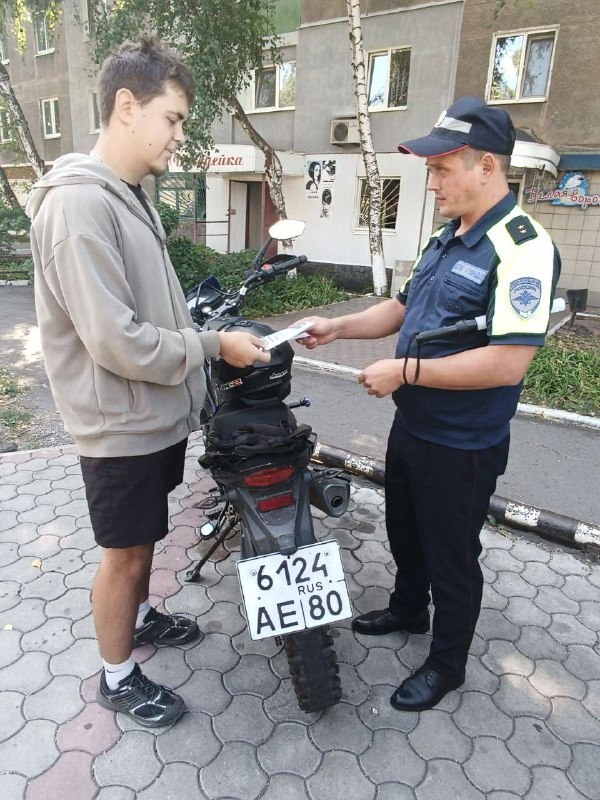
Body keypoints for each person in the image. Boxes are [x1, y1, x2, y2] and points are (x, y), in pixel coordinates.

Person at [26, 38, 270, 728]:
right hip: (118, 425)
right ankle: (116, 675)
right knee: (125, 553)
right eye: (174, 117)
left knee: (144, 541)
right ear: (126, 106)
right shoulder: (79, 208)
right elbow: (114, 338)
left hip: (149, 415)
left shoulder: (130, 197)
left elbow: (147, 309)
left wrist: (197, 339)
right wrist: (211, 344)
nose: (180, 133)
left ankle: (139, 618)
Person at [300, 96, 560, 712]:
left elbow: (508, 360)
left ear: (487, 167)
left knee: (452, 555)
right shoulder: (447, 237)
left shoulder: (522, 247)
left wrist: (405, 369)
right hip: (414, 425)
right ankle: (408, 610)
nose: (432, 180)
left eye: (443, 168)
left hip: (464, 443)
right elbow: (402, 308)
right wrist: (336, 328)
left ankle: (446, 666)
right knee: (405, 531)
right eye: (431, 168)